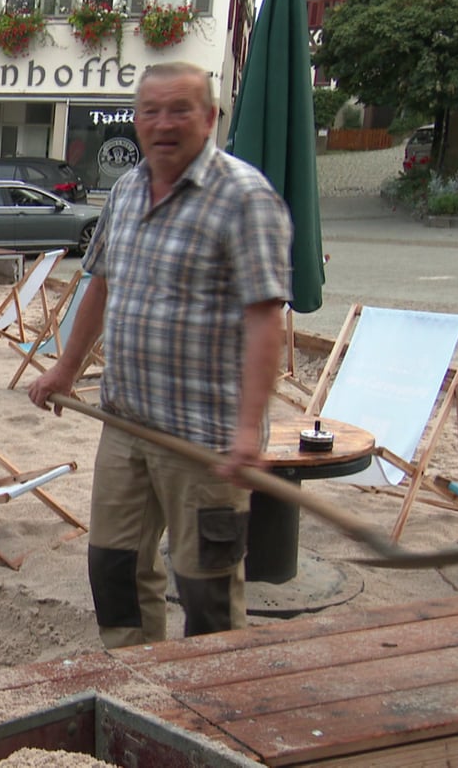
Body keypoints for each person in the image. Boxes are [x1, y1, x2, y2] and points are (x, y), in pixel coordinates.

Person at [27, 62, 292, 648]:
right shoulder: (125, 190)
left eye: (180, 110)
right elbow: (99, 283)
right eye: (151, 111)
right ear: (137, 119)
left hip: (205, 440)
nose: (163, 124)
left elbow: (266, 318)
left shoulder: (245, 198)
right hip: (124, 423)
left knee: (208, 590)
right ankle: (133, 689)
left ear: (209, 117)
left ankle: (211, 701)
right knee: (114, 570)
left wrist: (248, 431)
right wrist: (66, 368)